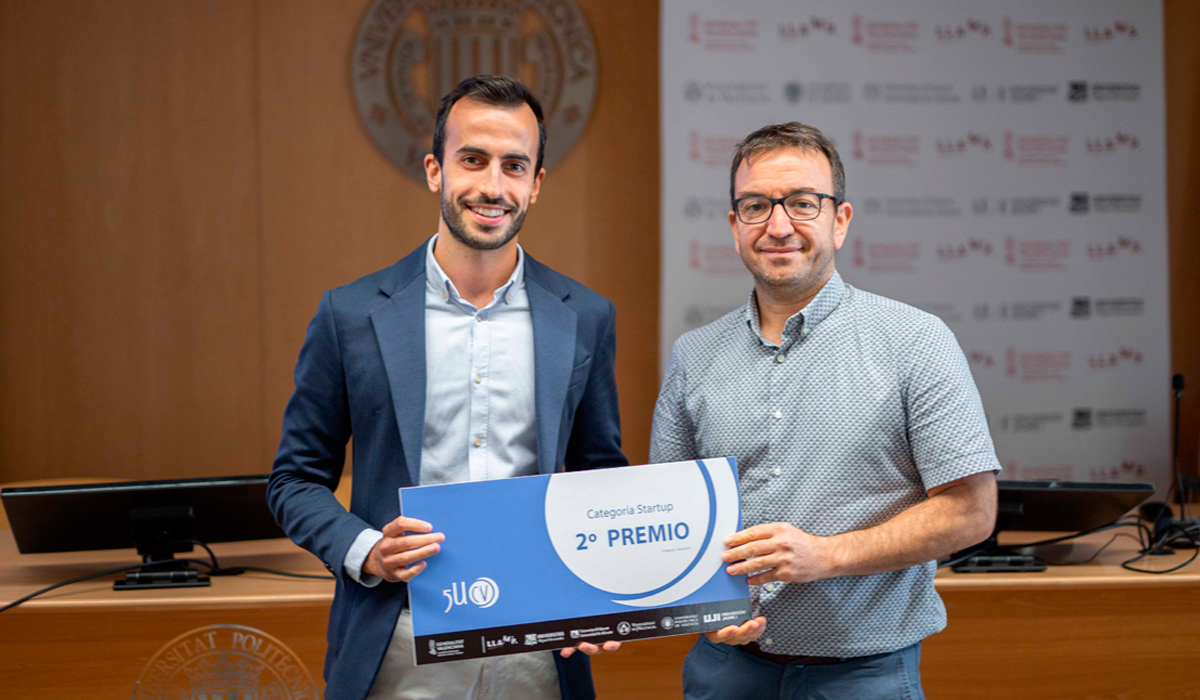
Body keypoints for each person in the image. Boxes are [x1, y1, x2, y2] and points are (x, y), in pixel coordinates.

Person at [267, 75, 626, 700]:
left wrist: (604, 590)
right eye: (473, 160)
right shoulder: (350, 314)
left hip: (537, 640)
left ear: (536, 184)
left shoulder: (585, 317)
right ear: (435, 170)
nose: (493, 186)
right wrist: (366, 549)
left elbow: (600, 477)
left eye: (514, 166)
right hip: (398, 637)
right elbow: (294, 481)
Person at [649, 121, 1000, 700]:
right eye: (756, 206)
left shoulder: (916, 341)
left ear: (840, 220)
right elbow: (669, 519)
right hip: (725, 671)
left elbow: (971, 512)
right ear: (735, 227)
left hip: (864, 676)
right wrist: (698, 608)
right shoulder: (694, 356)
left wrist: (827, 554)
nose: (778, 226)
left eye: (802, 203)